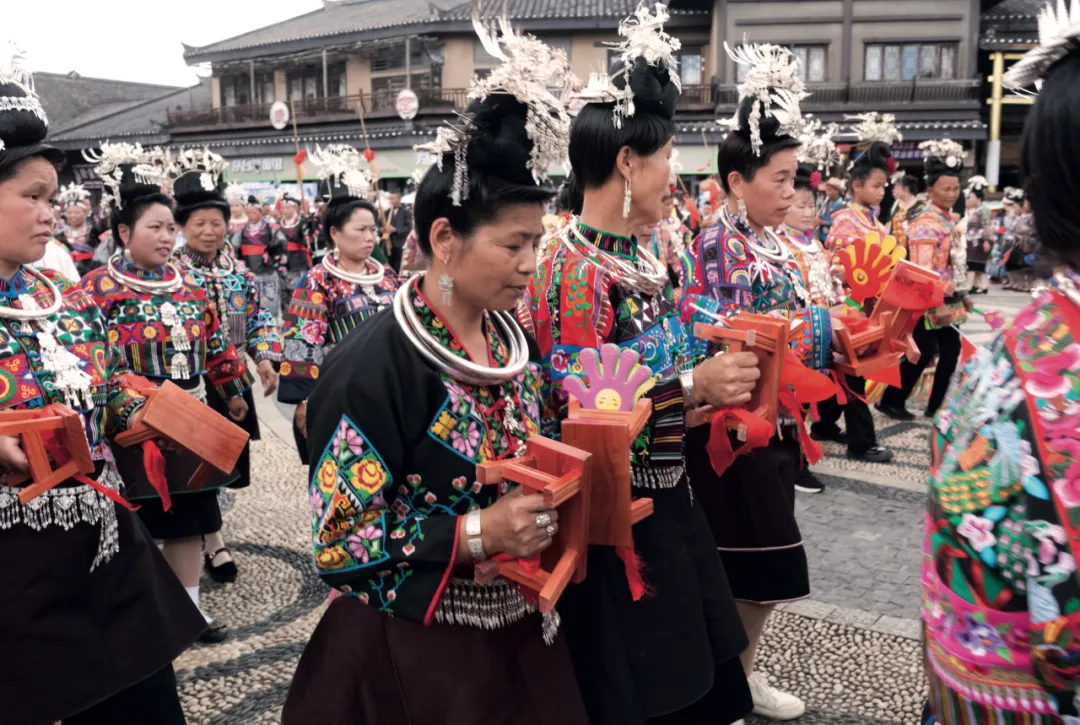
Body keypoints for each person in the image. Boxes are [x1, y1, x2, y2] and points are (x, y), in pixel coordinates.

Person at [281, 24, 589, 725]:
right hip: (408, 650)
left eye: (537, 242)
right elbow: (341, 541)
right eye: (514, 243)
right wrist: (479, 533)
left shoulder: (513, 340)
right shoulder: (371, 368)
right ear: (444, 240)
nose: (532, 264)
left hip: (522, 624)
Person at [524, 8, 753, 724]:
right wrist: (691, 387)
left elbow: (675, 352)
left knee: (705, 681)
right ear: (628, 161)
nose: (675, 175)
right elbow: (574, 411)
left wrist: (711, 381)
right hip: (616, 519)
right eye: (667, 158)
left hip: (671, 495)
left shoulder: (656, 253)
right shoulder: (570, 268)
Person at [0, 45, 205, 725]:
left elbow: (106, 392)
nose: (48, 215)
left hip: (105, 552)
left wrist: (153, 413)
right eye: (31, 197)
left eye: (51, 200)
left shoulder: (63, 297)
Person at [678, 41, 847, 721]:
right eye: (778, 178)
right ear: (735, 181)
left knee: (756, 570)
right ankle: (729, 684)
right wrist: (819, 331)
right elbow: (730, 329)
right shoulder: (720, 241)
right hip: (733, 429)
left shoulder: (783, 243)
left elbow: (803, 321)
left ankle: (738, 678)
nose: (790, 191)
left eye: (794, 177)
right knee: (758, 570)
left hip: (777, 422)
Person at [922, 15, 1080, 723]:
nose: (956, 199)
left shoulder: (1023, 366)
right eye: (951, 190)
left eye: (963, 191)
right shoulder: (1033, 376)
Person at [79, 143, 254, 644]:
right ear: (122, 233)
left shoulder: (191, 286)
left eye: (168, 228)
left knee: (190, 518)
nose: (165, 236)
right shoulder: (97, 289)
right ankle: (141, 612)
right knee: (135, 522)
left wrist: (233, 390)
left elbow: (216, 341)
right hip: (131, 423)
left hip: (192, 414)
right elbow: (91, 359)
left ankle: (190, 614)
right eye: (154, 227)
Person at [171, 149, 283, 584]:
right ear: (182, 227)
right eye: (198, 223)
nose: (208, 230)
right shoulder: (174, 275)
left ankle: (209, 537)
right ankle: (212, 543)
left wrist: (266, 359)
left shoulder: (240, 274)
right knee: (198, 468)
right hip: (191, 385)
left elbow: (258, 320)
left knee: (222, 467)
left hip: (233, 381)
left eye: (216, 222)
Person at [278, 146, 398, 463]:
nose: (370, 237)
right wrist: (303, 399)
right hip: (339, 392)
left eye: (373, 229)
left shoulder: (387, 276)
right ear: (335, 233)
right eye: (361, 230)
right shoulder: (318, 281)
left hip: (392, 389)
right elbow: (303, 340)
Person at [877, 139, 972, 421]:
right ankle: (894, 400)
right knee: (924, 349)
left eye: (956, 188)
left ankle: (932, 406)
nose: (952, 193)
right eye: (946, 188)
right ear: (930, 191)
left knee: (947, 349)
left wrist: (962, 292)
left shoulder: (943, 218)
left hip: (944, 297)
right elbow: (923, 270)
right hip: (927, 300)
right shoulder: (927, 221)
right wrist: (939, 303)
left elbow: (949, 262)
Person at [818, 139, 896, 464]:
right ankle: (861, 443)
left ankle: (824, 424)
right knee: (852, 371)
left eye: (884, 186)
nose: (881, 192)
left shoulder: (870, 220)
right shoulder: (846, 220)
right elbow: (842, 268)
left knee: (838, 369)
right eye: (876, 186)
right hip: (848, 305)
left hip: (866, 305)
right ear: (857, 185)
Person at [232, 194, 285, 317]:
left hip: (268, 273)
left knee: (270, 305)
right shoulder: (241, 230)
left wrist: (273, 255)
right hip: (249, 272)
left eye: (254, 213)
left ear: (261, 213)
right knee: (250, 307)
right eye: (248, 213)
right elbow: (234, 247)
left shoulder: (272, 228)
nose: (251, 216)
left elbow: (282, 245)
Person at [54, 181, 101, 276]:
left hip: (91, 273)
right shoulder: (59, 236)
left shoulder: (95, 232)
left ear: (85, 212)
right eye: (69, 212)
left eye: (76, 212)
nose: (73, 216)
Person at [277, 192, 312, 314]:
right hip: (282, 262)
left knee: (300, 290)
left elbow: (309, 241)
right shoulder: (277, 223)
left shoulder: (302, 222)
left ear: (295, 208)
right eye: (283, 208)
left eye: (288, 208)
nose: (285, 211)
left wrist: (308, 227)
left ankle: (302, 317)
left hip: (299, 261)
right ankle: (288, 319)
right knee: (284, 293)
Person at [963, 175, 993, 293]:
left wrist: (986, 240)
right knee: (973, 264)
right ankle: (978, 285)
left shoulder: (983, 210)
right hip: (970, 239)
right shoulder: (971, 210)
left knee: (974, 264)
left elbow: (987, 225)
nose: (969, 199)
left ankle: (973, 286)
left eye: (971, 197)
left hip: (979, 239)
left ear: (978, 198)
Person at [889, 172, 926, 252]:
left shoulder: (921, 206)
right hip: (894, 250)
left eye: (897, 187)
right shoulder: (896, 204)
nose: (894, 189)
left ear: (906, 189)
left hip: (912, 250)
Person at [384, 189, 412, 272]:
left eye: (393, 199)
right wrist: (383, 229)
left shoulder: (406, 212)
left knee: (398, 264)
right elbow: (379, 226)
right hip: (388, 242)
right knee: (388, 263)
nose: (391, 201)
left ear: (399, 200)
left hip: (400, 243)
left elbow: (408, 227)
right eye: (390, 199)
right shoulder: (386, 213)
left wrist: (396, 230)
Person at [816, 176, 845, 242]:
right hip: (821, 235)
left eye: (830, 190)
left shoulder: (840, 204)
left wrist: (822, 222)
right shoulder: (826, 201)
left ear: (837, 191)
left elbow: (839, 223)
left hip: (831, 237)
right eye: (827, 189)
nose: (827, 192)